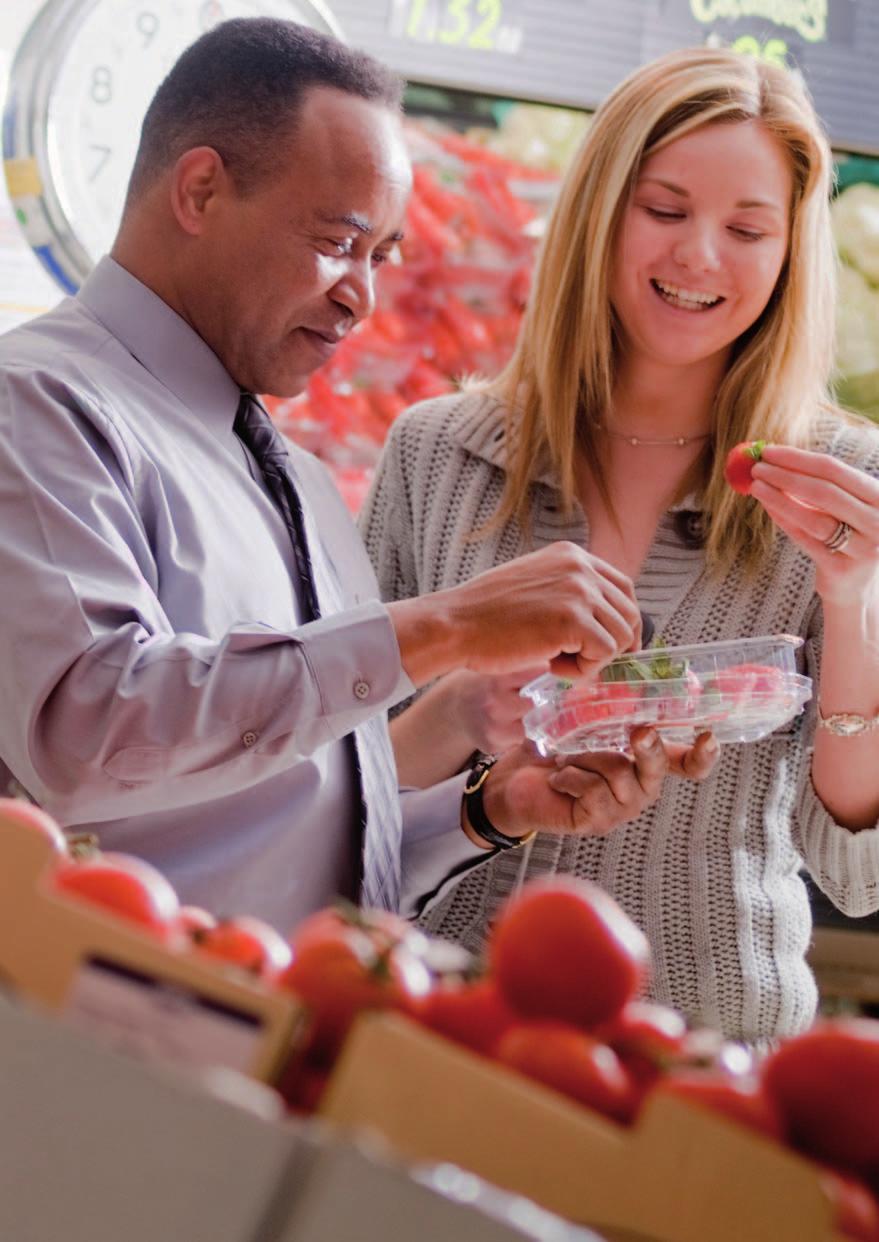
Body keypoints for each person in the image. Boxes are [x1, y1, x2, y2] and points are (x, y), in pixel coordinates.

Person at [0, 19, 717, 935]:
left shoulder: (286, 470)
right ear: (201, 189)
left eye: (382, 256)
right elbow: (89, 727)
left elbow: (276, 842)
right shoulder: (38, 403)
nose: (362, 297)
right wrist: (445, 627)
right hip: (109, 1052)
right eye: (338, 242)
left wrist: (485, 813)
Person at [360, 47, 879, 1043]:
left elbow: (854, 874)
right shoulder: (437, 453)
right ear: (600, 209)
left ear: (786, 255)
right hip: (435, 1015)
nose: (700, 256)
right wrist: (481, 737)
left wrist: (854, 599)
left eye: (747, 228)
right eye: (666, 209)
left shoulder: (838, 489)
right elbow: (339, 784)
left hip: (699, 1051)